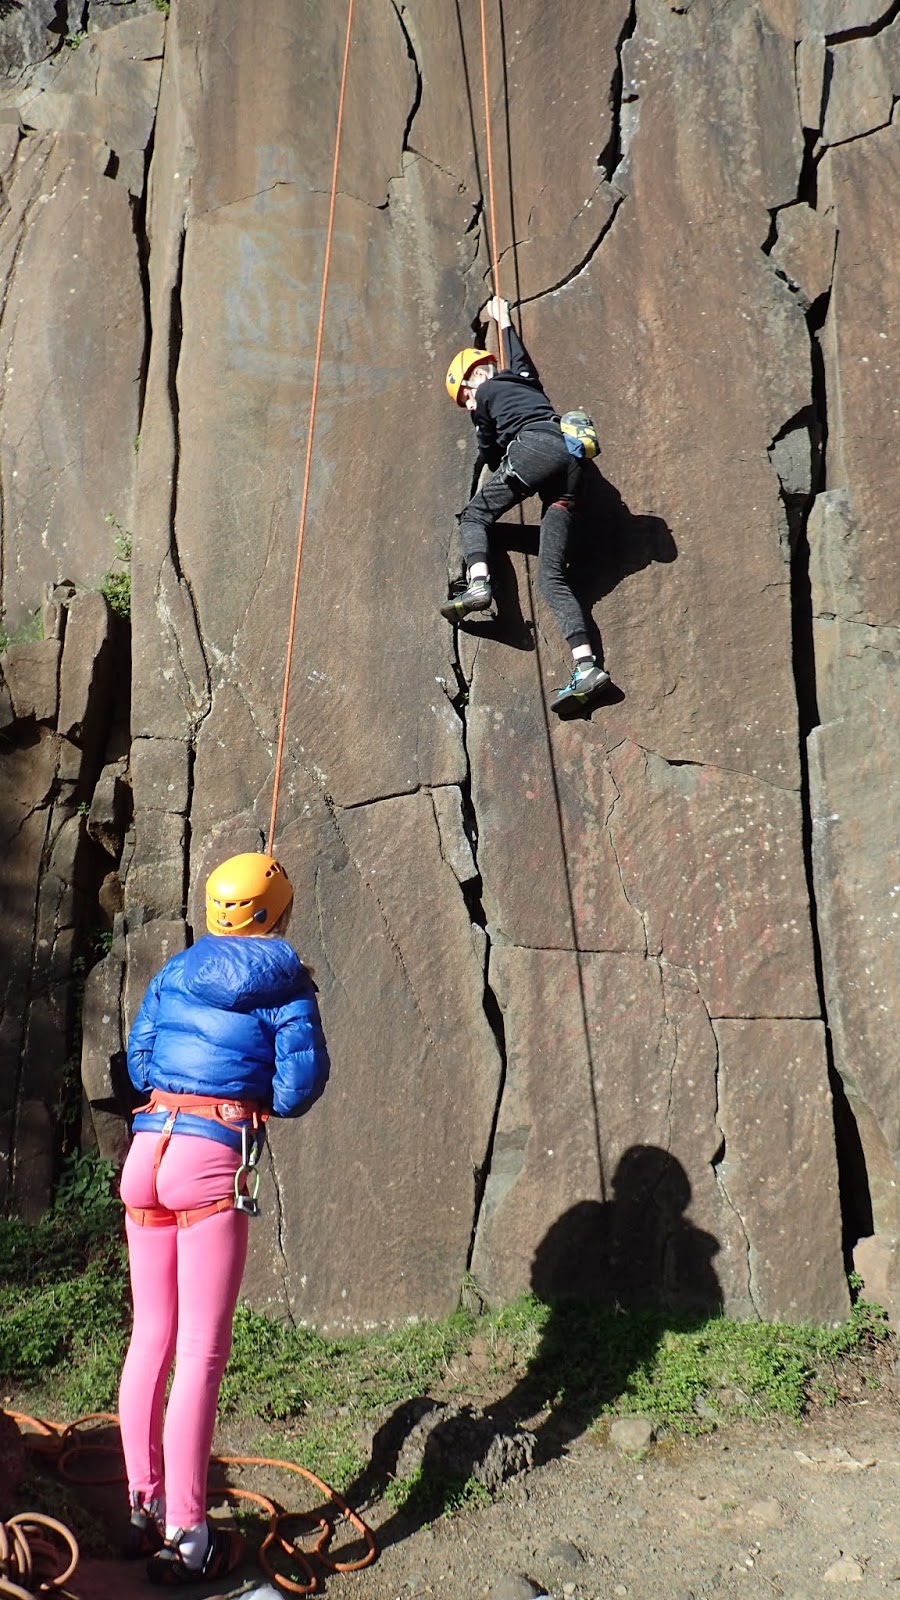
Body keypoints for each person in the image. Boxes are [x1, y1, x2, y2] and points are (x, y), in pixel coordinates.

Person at [118, 852, 329, 1586]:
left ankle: (141, 1506)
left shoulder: (175, 972)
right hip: (209, 1160)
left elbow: (140, 1064)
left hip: (147, 1152)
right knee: (201, 1353)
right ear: (276, 912)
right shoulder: (287, 984)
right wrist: (252, 1093)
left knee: (151, 1334)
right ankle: (188, 1536)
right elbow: (300, 1086)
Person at [442, 296, 611, 714]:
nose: (468, 404)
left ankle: (479, 583)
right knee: (552, 578)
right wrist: (504, 321)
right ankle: (586, 667)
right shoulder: (522, 381)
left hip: (534, 448)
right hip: (570, 466)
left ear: (474, 379)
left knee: (475, 515)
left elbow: (488, 448)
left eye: (464, 396)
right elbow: (520, 359)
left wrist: (486, 439)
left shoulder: (486, 392)